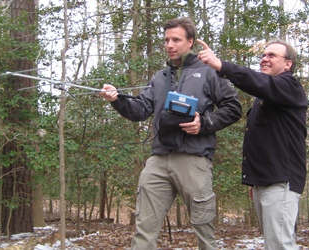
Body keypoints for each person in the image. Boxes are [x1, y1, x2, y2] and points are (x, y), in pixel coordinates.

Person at [99, 17, 242, 249]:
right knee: (144, 229)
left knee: (204, 231)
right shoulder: (159, 77)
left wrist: (204, 123)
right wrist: (116, 99)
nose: (170, 45)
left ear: (190, 42)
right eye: (166, 40)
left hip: (194, 159)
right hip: (159, 159)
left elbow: (233, 108)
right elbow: (139, 110)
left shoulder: (208, 72)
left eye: (176, 39)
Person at [197, 39, 307, 250]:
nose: (264, 59)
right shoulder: (265, 98)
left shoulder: (290, 87)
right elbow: (264, 139)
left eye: (272, 55)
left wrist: (222, 66)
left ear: (288, 64)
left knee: (280, 245)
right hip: (264, 181)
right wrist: (255, 178)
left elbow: (257, 82)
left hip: (282, 181)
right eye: (263, 55)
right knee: (273, 244)